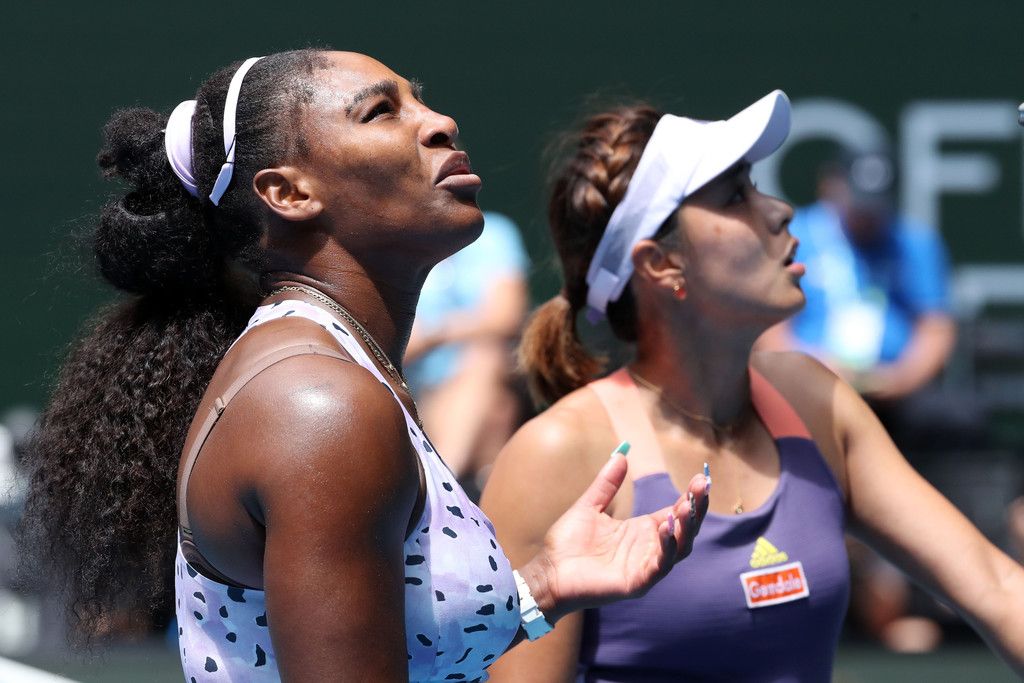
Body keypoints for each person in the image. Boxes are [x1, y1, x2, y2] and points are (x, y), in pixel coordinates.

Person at [19, 50, 711, 682]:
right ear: (289, 193)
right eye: (381, 111)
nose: (440, 122)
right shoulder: (320, 404)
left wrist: (544, 584)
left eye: (420, 99)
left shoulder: (333, 377)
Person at [480, 93, 1024, 682]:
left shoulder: (815, 401)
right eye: (736, 195)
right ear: (661, 263)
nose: (781, 210)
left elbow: (995, 585)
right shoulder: (555, 455)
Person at [758, 149, 956, 408]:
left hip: (895, 393)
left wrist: (900, 379)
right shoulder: (793, 237)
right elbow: (769, 326)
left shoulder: (914, 242)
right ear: (831, 188)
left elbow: (936, 328)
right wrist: (812, 367)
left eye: (874, 207)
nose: (865, 216)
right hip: (806, 384)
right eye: (857, 205)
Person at [404, 211, 530, 484]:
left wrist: (434, 334)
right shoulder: (397, 243)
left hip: (491, 374)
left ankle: (444, 481)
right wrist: (471, 324)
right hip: (420, 394)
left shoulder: (494, 234)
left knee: (484, 357)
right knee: (497, 411)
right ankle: (473, 488)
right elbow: (399, 346)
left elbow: (505, 317)